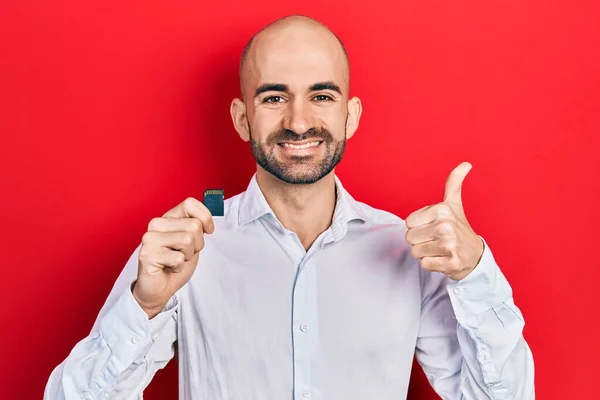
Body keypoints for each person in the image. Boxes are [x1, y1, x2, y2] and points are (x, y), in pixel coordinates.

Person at [45, 15, 535, 400]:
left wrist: (475, 274)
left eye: (321, 96)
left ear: (351, 116)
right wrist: (144, 305)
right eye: (275, 97)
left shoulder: (409, 251)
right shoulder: (187, 248)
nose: (299, 122)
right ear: (242, 119)